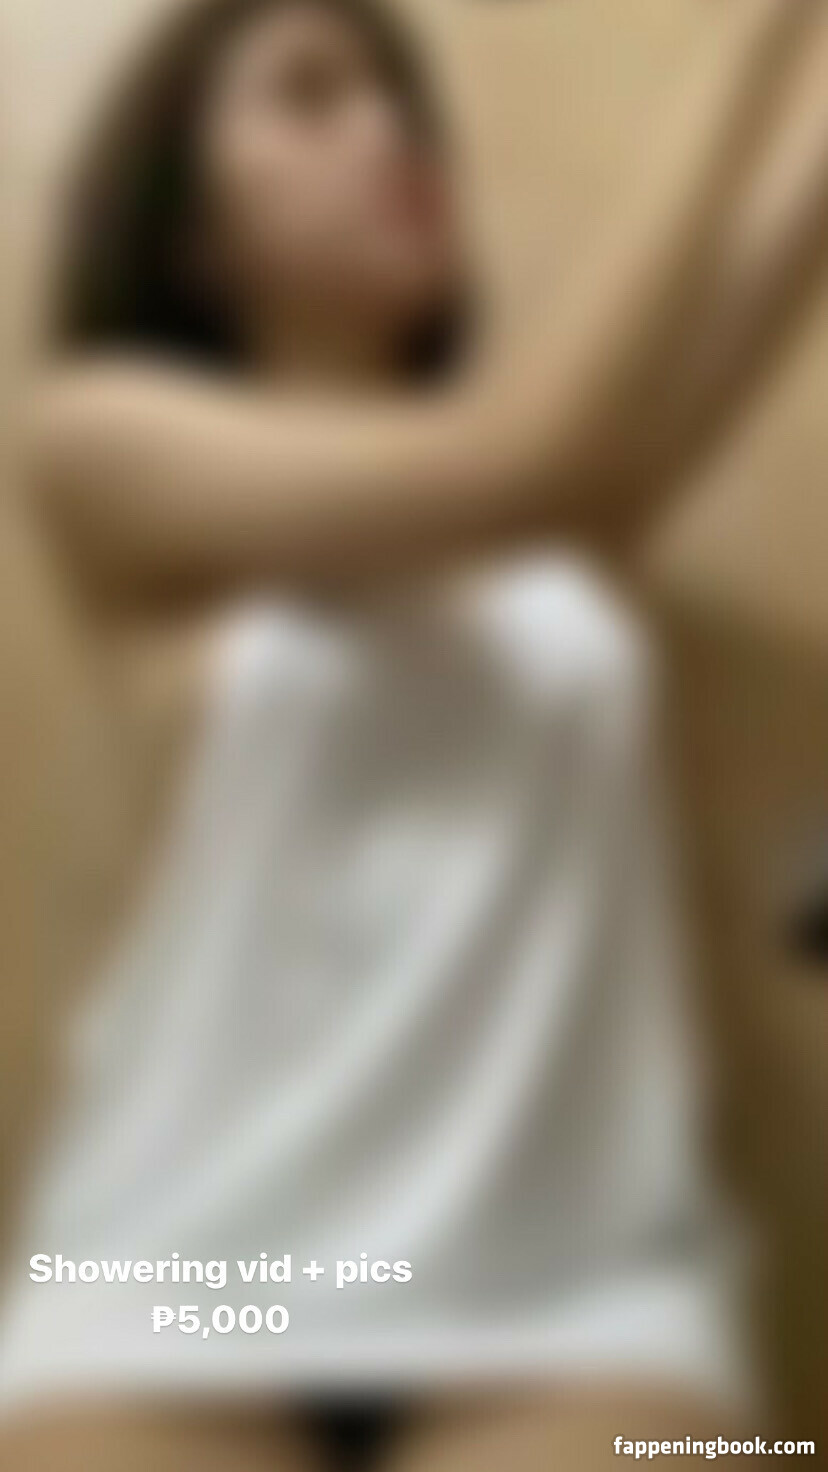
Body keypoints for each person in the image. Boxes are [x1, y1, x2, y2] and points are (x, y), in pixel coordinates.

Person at [1, 0, 827, 1467]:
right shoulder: (99, 441)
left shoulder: (580, 510)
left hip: (575, 1290)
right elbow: (536, 452)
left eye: (401, 104)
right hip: (174, 1277)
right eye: (311, 96)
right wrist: (761, 35)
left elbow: (626, 403)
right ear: (190, 230)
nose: (390, 132)